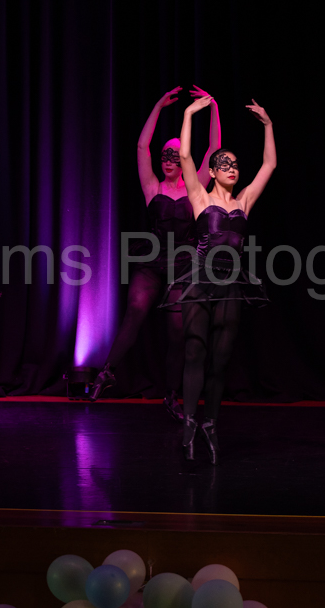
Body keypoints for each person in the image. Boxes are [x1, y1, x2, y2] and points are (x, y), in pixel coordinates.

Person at [88, 86, 222, 421]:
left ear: (183, 160)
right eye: (165, 155)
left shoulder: (195, 186)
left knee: (177, 331)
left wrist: (214, 109)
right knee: (135, 310)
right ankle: (107, 372)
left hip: (184, 263)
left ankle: (171, 394)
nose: (168, 160)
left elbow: (213, 150)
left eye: (175, 156)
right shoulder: (152, 187)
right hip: (153, 259)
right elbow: (141, 146)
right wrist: (159, 106)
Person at [167, 95, 275, 462]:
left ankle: (210, 424)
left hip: (230, 285)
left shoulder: (244, 202)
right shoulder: (199, 196)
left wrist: (268, 125)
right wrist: (188, 114)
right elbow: (185, 156)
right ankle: (189, 424)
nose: (231, 168)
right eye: (223, 164)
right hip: (200, 281)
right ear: (212, 172)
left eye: (234, 164)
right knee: (195, 352)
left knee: (221, 359)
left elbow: (270, 164)